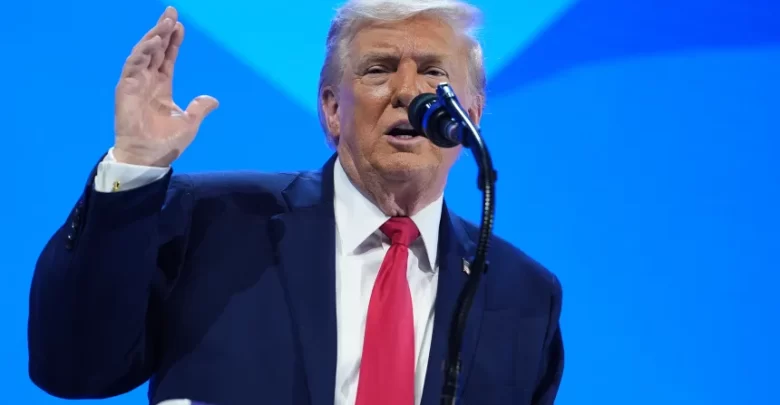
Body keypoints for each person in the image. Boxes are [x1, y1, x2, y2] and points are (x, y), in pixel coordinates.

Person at [27, 1, 564, 404]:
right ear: (331, 109)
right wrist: (135, 166)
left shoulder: (524, 295)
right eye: (378, 69)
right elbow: (75, 368)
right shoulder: (212, 222)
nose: (408, 92)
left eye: (434, 73)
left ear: (473, 111)